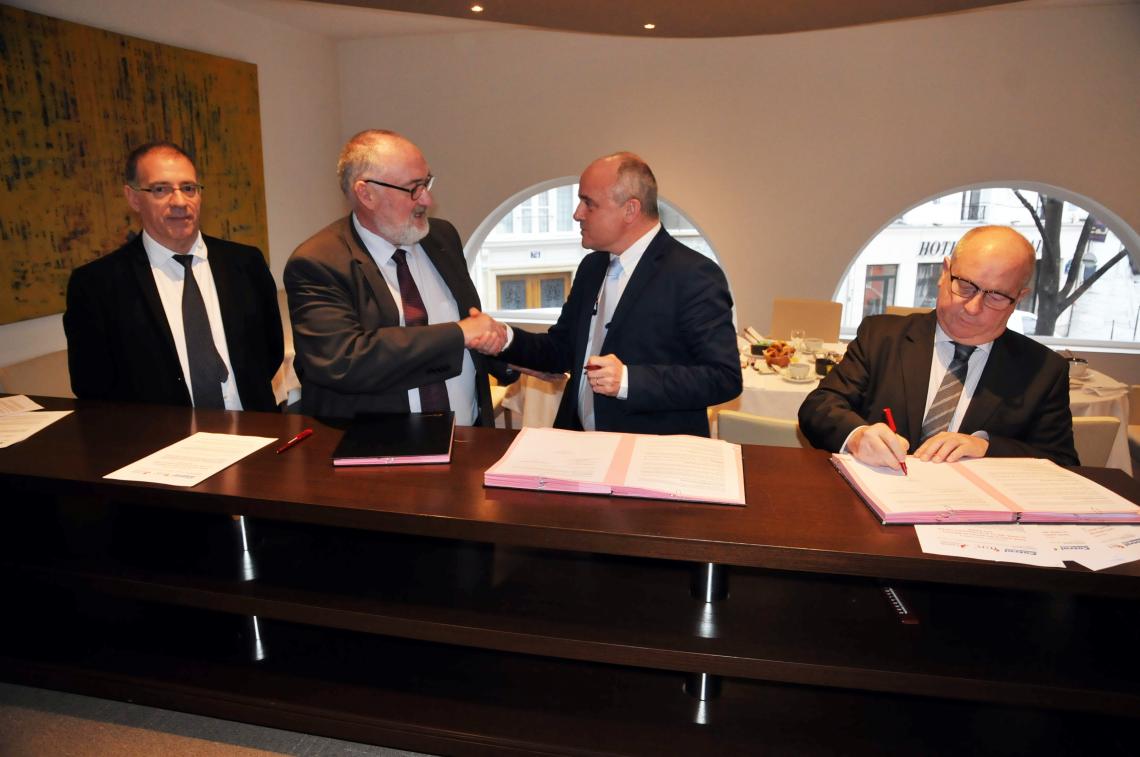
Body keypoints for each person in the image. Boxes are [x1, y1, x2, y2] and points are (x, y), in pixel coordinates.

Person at [482, 152, 741, 436]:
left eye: (589, 203)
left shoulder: (693, 275)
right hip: (579, 441)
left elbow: (723, 377)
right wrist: (504, 338)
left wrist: (628, 380)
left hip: (648, 449)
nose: (577, 213)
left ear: (630, 210)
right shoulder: (592, 267)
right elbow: (562, 350)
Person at [798, 225, 1077, 468]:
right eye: (965, 286)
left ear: (1019, 297)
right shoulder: (882, 336)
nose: (973, 307)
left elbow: (1061, 461)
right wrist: (857, 436)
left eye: (996, 296)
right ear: (945, 273)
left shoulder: (1043, 370)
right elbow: (819, 407)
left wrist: (988, 448)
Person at [284, 130, 509, 422]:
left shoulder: (442, 237)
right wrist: (459, 333)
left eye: (426, 182)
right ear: (366, 194)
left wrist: (508, 355)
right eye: (414, 188)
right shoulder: (318, 262)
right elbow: (345, 360)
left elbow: (471, 329)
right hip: (379, 445)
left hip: (470, 434)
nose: (427, 199)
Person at [65, 142, 283, 412]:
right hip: (160, 437)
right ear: (133, 198)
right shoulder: (96, 285)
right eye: (161, 189)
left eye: (188, 188)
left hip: (257, 428)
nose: (180, 202)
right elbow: (92, 386)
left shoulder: (246, 263)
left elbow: (271, 351)